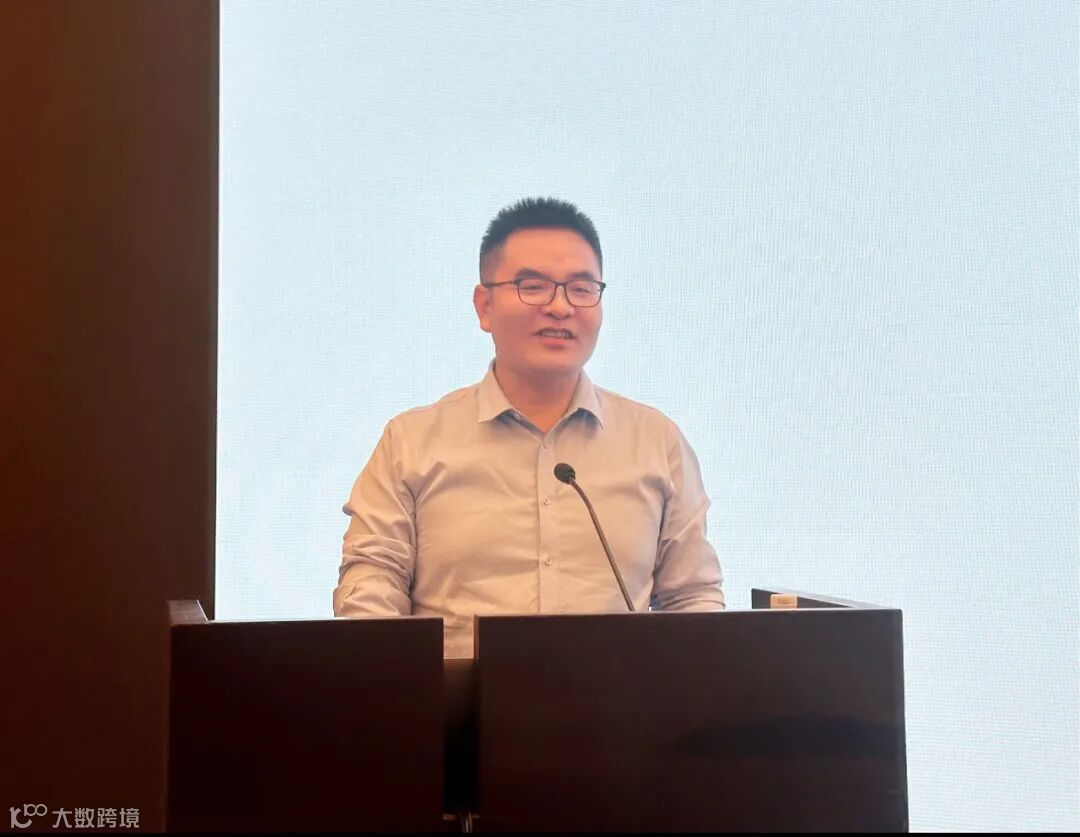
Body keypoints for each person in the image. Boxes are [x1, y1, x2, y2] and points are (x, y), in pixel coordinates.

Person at [333, 197, 724, 658]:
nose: (560, 307)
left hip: (617, 702)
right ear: (484, 306)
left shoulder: (656, 443)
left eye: (581, 288)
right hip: (456, 703)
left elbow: (691, 598)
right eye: (533, 287)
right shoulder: (411, 443)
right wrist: (391, 679)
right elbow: (372, 587)